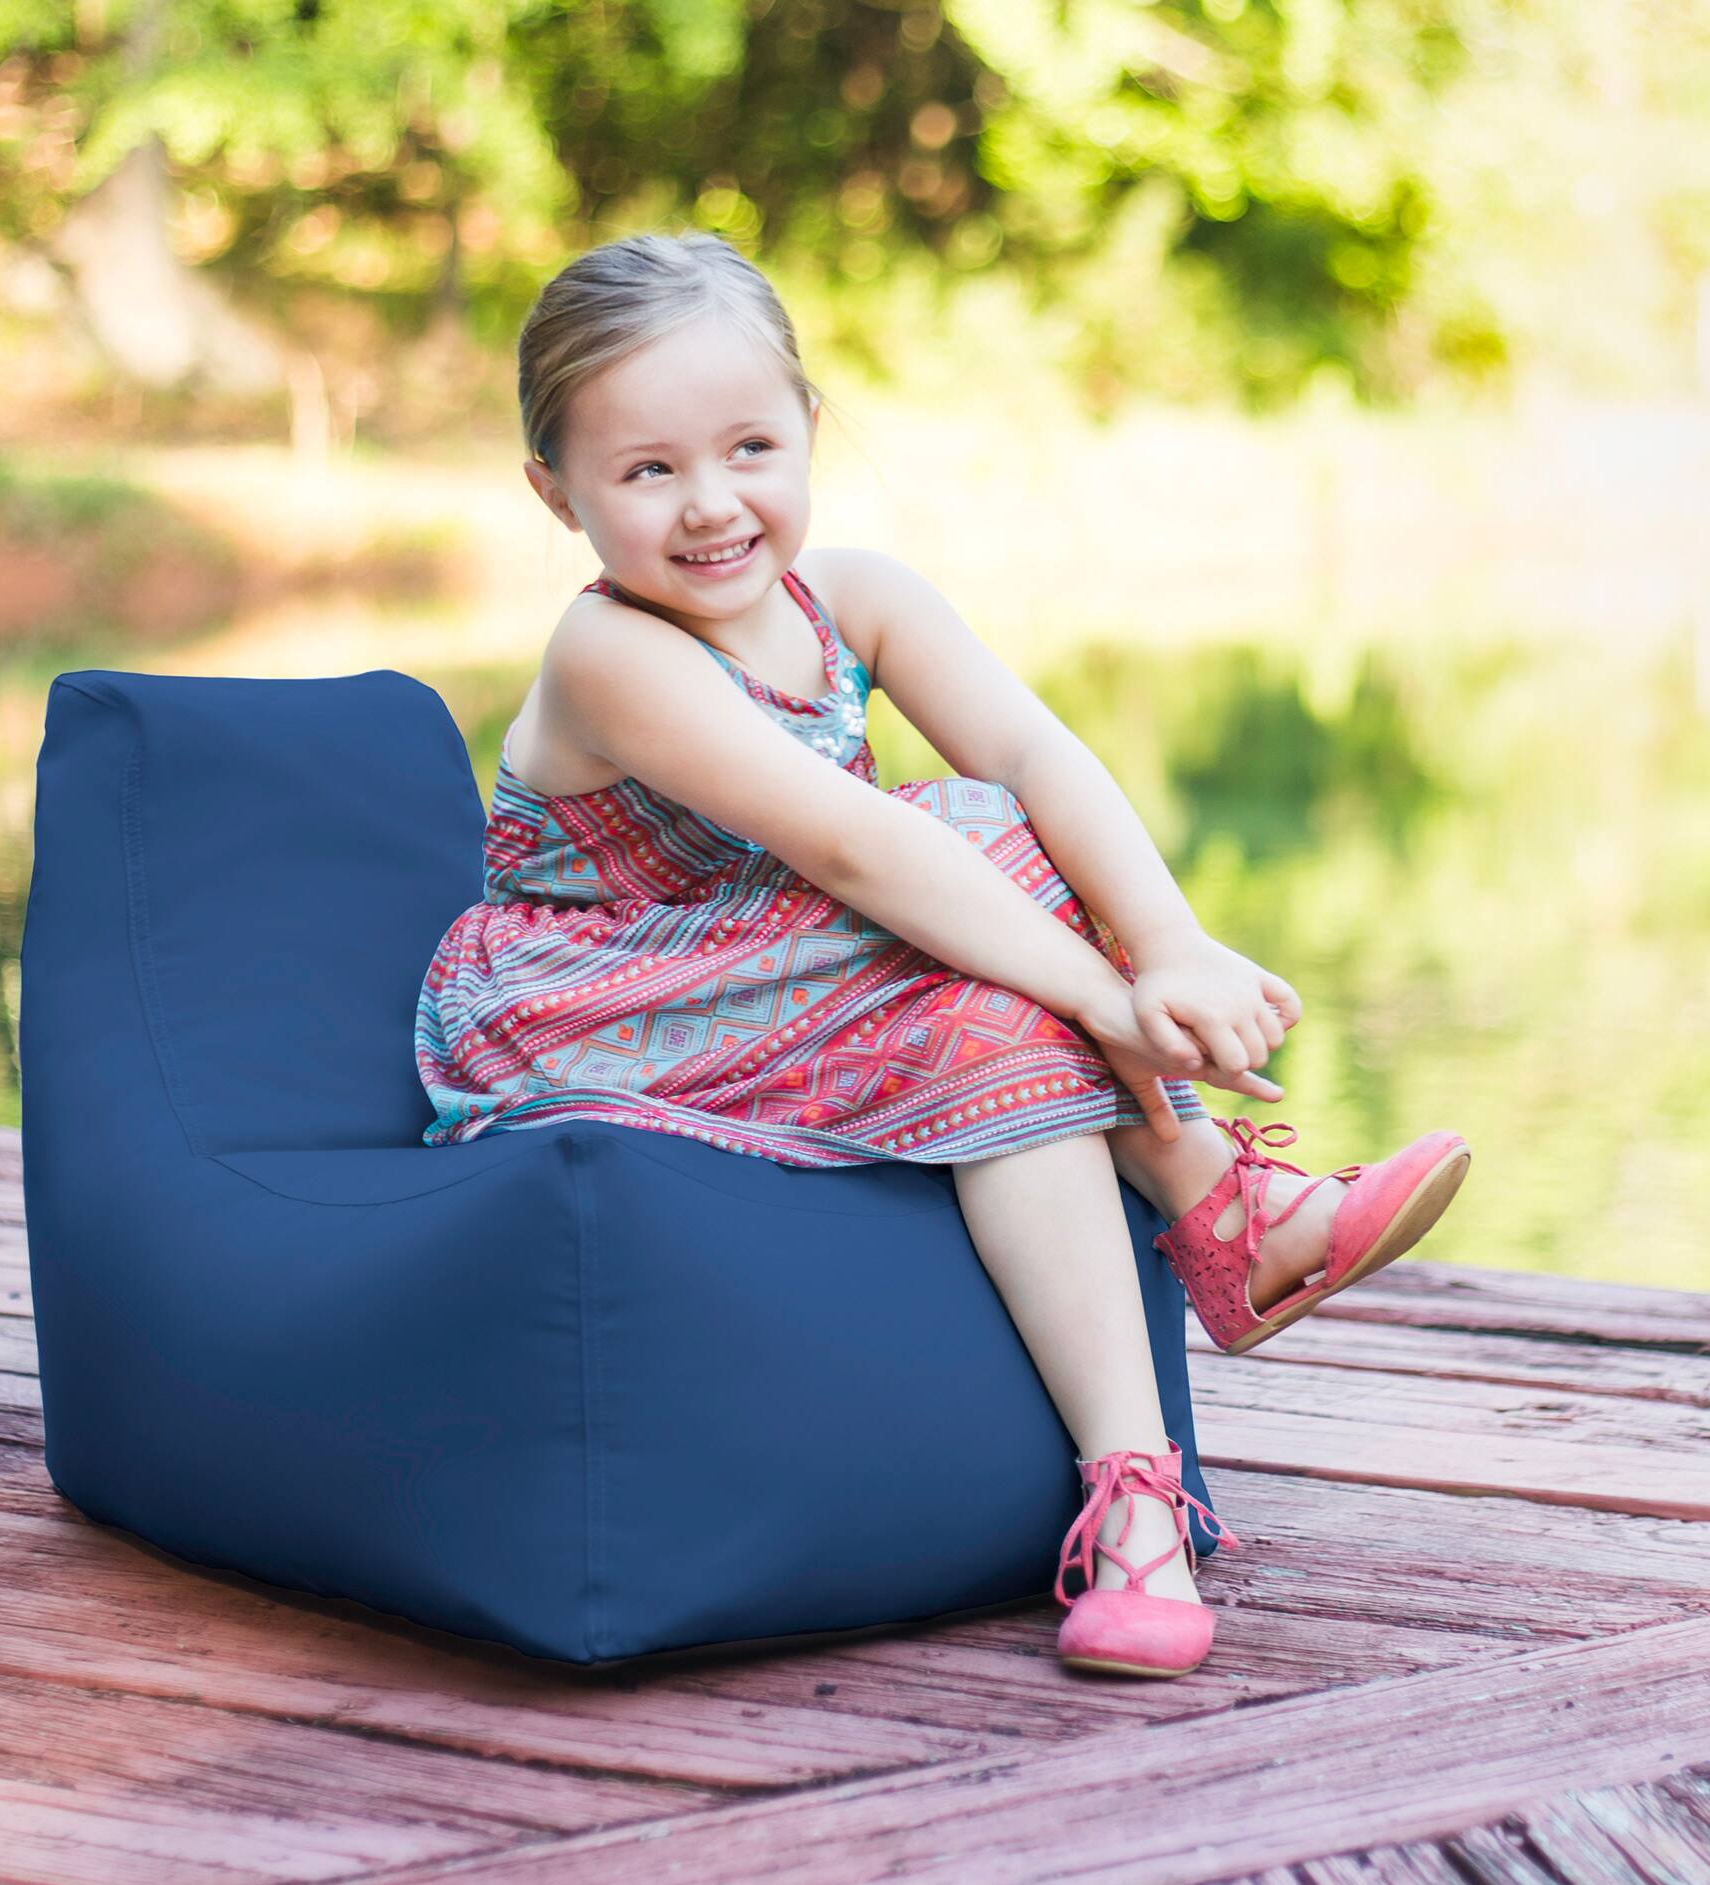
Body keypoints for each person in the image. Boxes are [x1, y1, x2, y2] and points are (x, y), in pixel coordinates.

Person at [412, 230, 1470, 1680]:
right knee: (963, 843)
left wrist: (1170, 942)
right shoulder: (612, 655)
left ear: (810, 433)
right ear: (560, 493)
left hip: (800, 971)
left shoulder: (856, 597)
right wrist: (1115, 993)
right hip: (601, 1003)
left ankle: (1135, 1508)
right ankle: (1217, 1195)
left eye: (749, 447)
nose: (712, 504)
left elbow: (1038, 747)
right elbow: (857, 850)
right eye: (648, 471)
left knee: (990, 973)